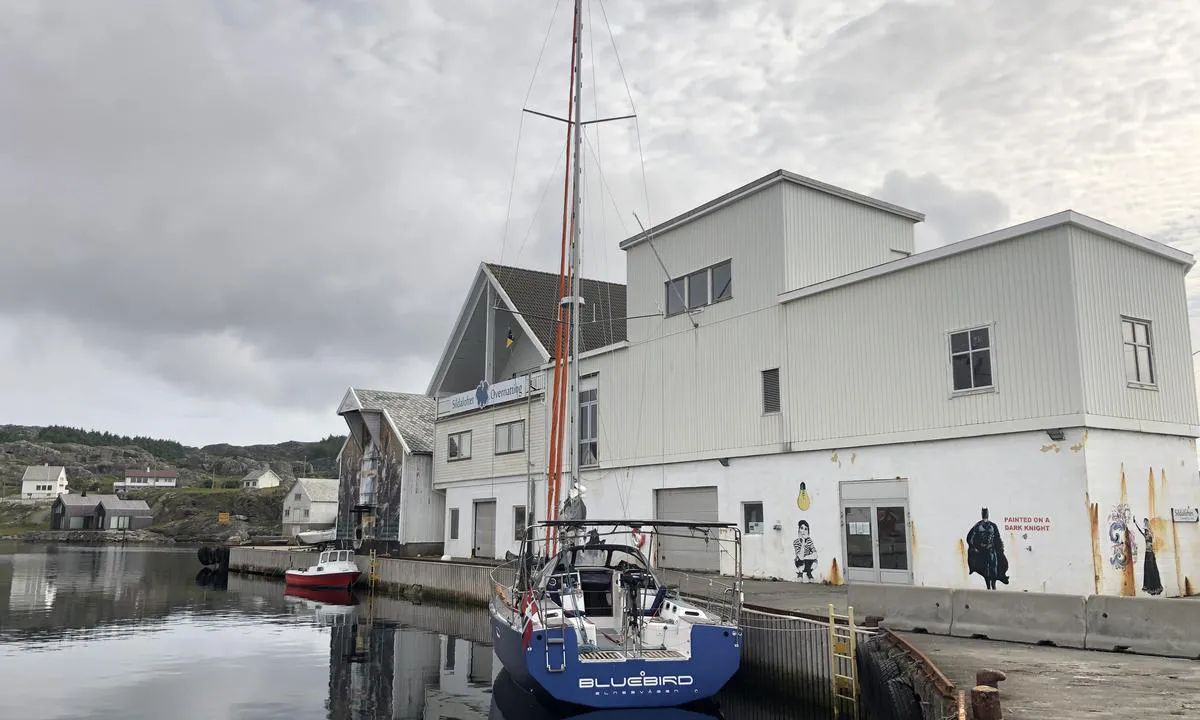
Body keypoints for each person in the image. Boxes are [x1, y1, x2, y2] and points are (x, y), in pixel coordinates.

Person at [966, 507, 1009, 590]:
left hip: (991, 549)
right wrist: (973, 547)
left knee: (993, 566)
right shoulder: (977, 526)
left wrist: (1000, 548)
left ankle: (993, 584)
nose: (985, 515)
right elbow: (971, 537)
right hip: (981, 550)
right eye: (983, 513)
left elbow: (997, 537)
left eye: (986, 513)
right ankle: (988, 586)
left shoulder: (993, 525)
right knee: (984, 569)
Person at [1132, 516, 1164, 596]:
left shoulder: (1149, 534)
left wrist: (1144, 524)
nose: (1145, 530)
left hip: (1149, 554)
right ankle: (1152, 588)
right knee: (1149, 570)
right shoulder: (1147, 534)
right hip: (1148, 553)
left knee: (1151, 570)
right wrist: (1135, 523)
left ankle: (1154, 588)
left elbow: (1146, 530)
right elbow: (1140, 530)